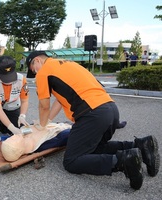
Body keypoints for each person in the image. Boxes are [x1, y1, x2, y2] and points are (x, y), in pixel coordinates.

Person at [25, 51, 160, 190]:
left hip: (91, 113)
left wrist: (40, 127)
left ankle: (123, 161)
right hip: (111, 109)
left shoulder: (43, 72)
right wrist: (48, 121)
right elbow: (59, 102)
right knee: (95, 149)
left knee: (71, 161)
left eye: (33, 69)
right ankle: (141, 146)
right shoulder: (67, 64)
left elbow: (44, 105)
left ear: (37, 61)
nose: (35, 73)